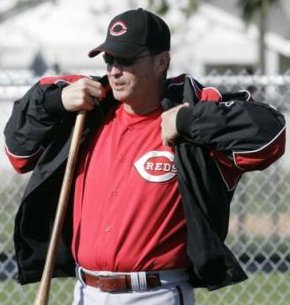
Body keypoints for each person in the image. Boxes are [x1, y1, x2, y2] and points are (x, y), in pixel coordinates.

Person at [4, 8, 286, 305]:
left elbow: (270, 133)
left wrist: (189, 121)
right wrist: (54, 102)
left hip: (156, 293)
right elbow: (19, 153)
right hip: (85, 291)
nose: (114, 70)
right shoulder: (89, 109)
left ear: (161, 61)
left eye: (126, 60)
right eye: (109, 59)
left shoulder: (190, 105)